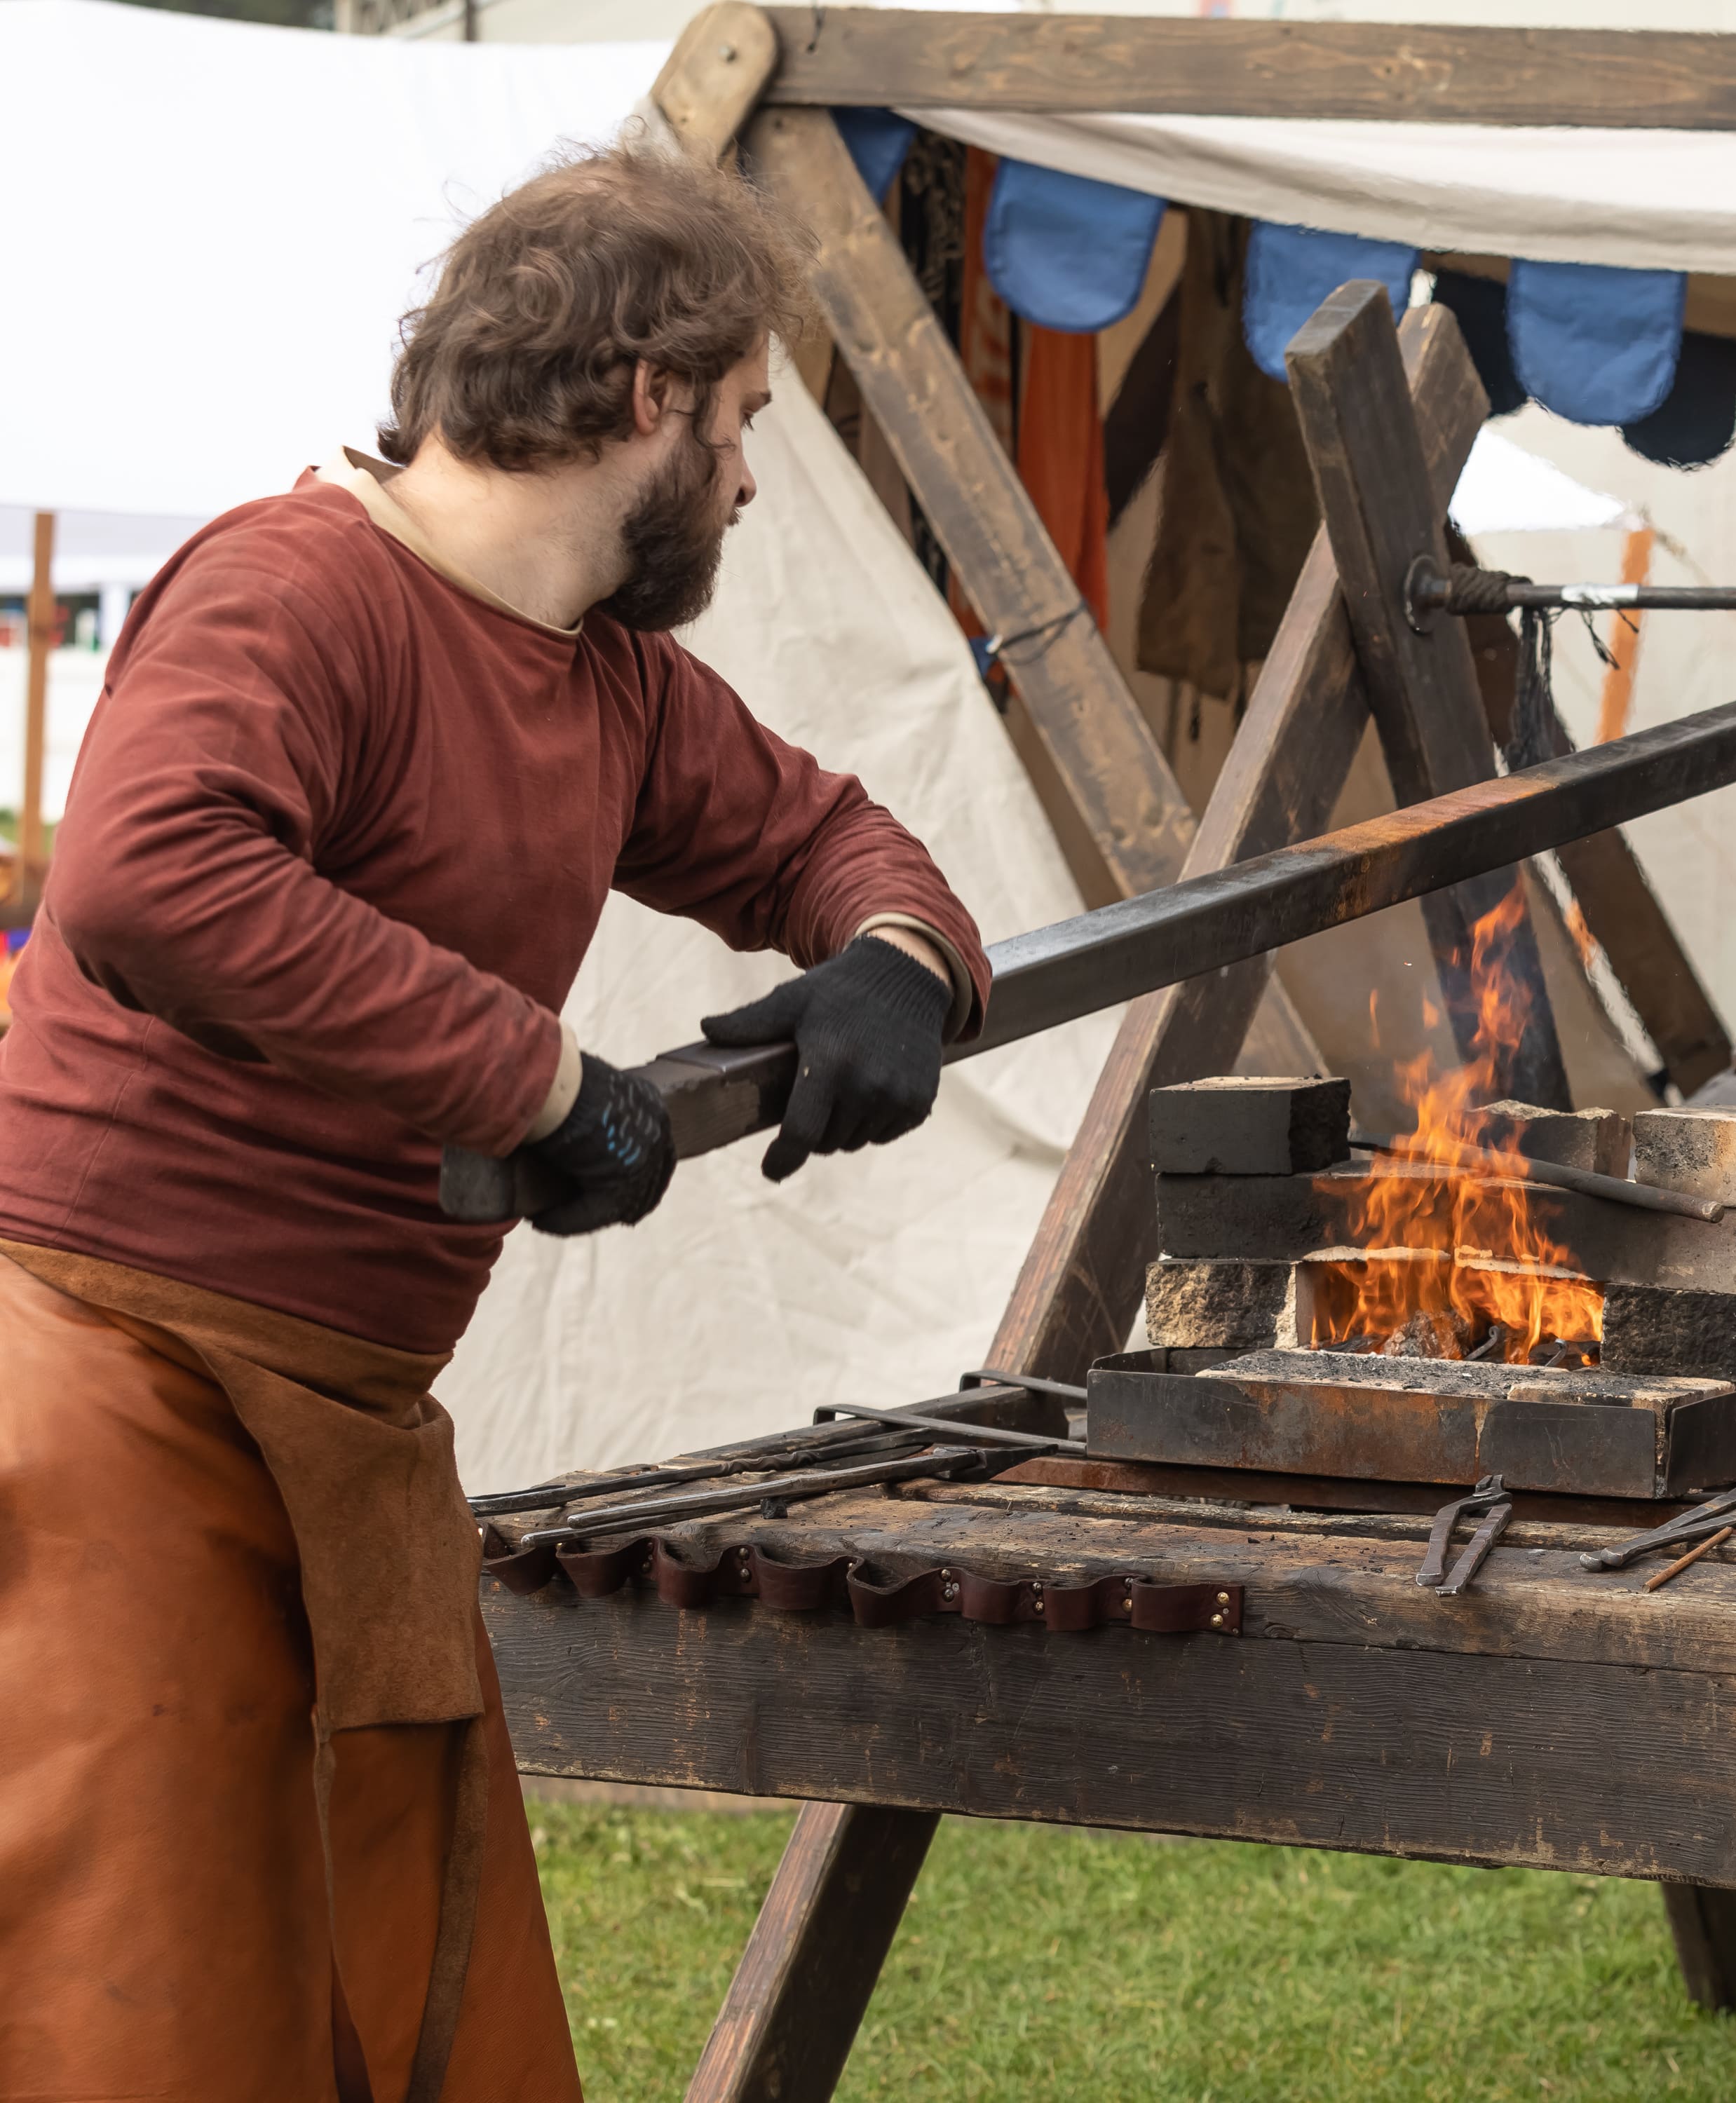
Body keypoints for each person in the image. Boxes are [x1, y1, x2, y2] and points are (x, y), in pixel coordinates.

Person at [0, 148, 992, 2101]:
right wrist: (540, 1081)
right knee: (146, 2025)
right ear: (650, 399)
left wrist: (894, 959)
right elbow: (142, 877)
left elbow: (823, 835)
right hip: (102, 1385)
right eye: (739, 428)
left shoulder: (608, 683)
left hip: (351, 1422)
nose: (744, 478)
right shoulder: (295, 584)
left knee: (404, 2011)